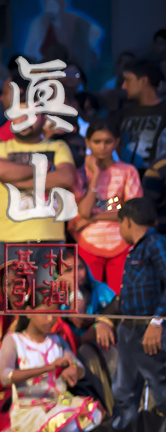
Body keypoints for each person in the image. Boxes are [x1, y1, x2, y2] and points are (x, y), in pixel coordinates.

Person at [0, 81, 77, 266]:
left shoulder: (58, 146)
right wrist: (44, 168)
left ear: (43, 118)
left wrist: (18, 181)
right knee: (11, 287)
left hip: (51, 238)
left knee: (50, 286)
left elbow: (66, 178)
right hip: (10, 239)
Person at [0, 311, 102, 432]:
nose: (51, 319)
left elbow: (78, 366)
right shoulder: (14, 340)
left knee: (92, 413)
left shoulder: (57, 341)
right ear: (29, 312)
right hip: (28, 410)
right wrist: (48, 368)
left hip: (57, 404)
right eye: (45, 314)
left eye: (54, 314)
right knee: (61, 417)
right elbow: (5, 376)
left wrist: (73, 370)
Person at [93, 199, 166, 427]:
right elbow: (126, 296)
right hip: (129, 332)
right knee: (122, 394)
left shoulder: (155, 243)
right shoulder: (136, 250)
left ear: (127, 222)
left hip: (151, 333)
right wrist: (104, 318)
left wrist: (157, 322)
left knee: (162, 394)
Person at [74, 120, 144, 299]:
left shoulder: (127, 171)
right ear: (88, 142)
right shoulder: (80, 174)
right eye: (97, 141)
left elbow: (133, 211)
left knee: (120, 297)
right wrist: (96, 175)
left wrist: (94, 217)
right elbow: (84, 211)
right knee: (90, 297)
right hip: (88, 244)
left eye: (108, 141)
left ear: (117, 142)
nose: (102, 147)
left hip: (121, 243)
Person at [117, 57, 164, 171]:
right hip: (125, 176)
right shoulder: (125, 113)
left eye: (128, 80)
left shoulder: (163, 111)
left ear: (143, 81)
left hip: (155, 177)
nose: (123, 86)